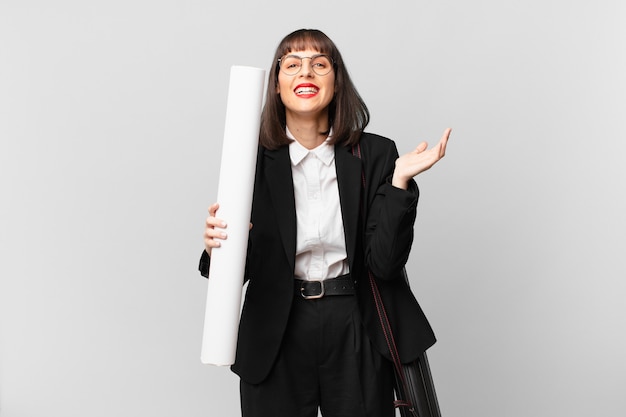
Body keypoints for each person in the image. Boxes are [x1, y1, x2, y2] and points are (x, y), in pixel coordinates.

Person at [200, 28, 451, 417]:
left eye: (320, 64)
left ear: (336, 80)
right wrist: (217, 245)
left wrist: (400, 183)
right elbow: (240, 270)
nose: (306, 73)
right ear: (277, 84)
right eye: (292, 64)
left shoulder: (377, 154)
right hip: (276, 326)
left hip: (355, 322)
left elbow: (384, 264)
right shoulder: (247, 161)